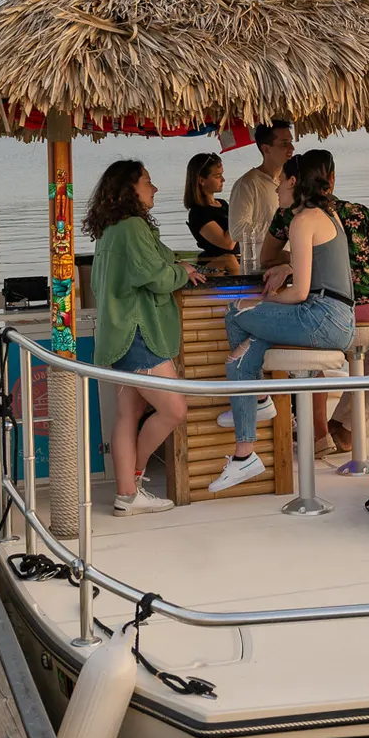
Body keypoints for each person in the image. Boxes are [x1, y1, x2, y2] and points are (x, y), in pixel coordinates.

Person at [209, 150, 356, 492]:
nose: (276, 190)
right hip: (334, 317)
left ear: (293, 182)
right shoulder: (325, 214)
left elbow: (301, 292)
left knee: (235, 311)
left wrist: (262, 301)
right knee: (241, 358)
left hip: (321, 316)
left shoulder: (302, 220)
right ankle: (244, 456)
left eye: (280, 183)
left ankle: (259, 400)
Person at [261, 154, 369, 453]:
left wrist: (295, 265)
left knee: (311, 361)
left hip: (329, 308)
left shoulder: (290, 215)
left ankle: (319, 437)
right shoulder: (358, 212)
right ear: (332, 178)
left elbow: (266, 258)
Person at [87, 159, 207, 515]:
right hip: (137, 333)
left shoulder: (112, 230)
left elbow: (160, 259)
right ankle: (135, 476)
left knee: (128, 414)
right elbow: (156, 275)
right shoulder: (134, 227)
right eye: (147, 182)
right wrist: (181, 273)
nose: (154, 189)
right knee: (174, 408)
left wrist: (180, 263)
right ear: (129, 189)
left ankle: (127, 494)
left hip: (116, 331)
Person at [228, 121, 293, 271]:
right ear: (266, 149)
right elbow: (237, 231)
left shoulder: (292, 181)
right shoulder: (247, 184)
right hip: (259, 272)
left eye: (290, 142)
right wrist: (281, 230)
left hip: (290, 267)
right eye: (284, 143)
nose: (291, 148)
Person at [183, 152, 241, 275]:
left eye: (222, 175)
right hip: (215, 267)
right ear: (201, 180)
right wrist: (241, 213)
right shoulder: (198, 212)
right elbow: (228, 243)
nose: (223, 180)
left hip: (238, 260)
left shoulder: (222, 204)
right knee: (229, 259)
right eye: (217, 176)